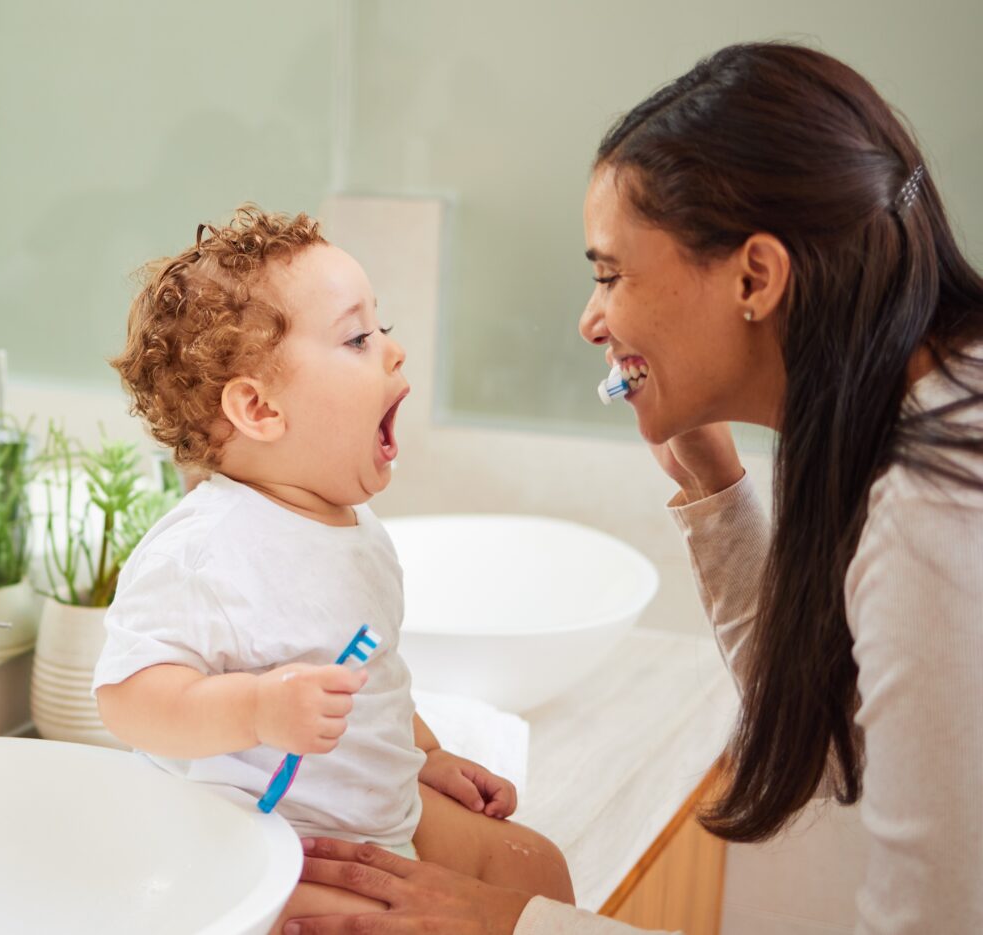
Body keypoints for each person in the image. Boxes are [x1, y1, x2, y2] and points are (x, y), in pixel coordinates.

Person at [280, 41, 983, 935]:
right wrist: (715, 489)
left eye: (610, 273)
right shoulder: (907, 423)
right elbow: (826, 722)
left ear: (755, 277)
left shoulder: (943, 505)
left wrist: (516, 925)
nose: (590, 320)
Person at [92, 206, 574, 932]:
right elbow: (128, 699)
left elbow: (369, 670)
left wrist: (429, 756)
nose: (394, 350)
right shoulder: (204, 548)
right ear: (258, 408)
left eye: (382, 326)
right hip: (273, 847)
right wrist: (254, 707)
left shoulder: (358, 530)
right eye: (357, 337)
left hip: (381, 813)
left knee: (540, 873)